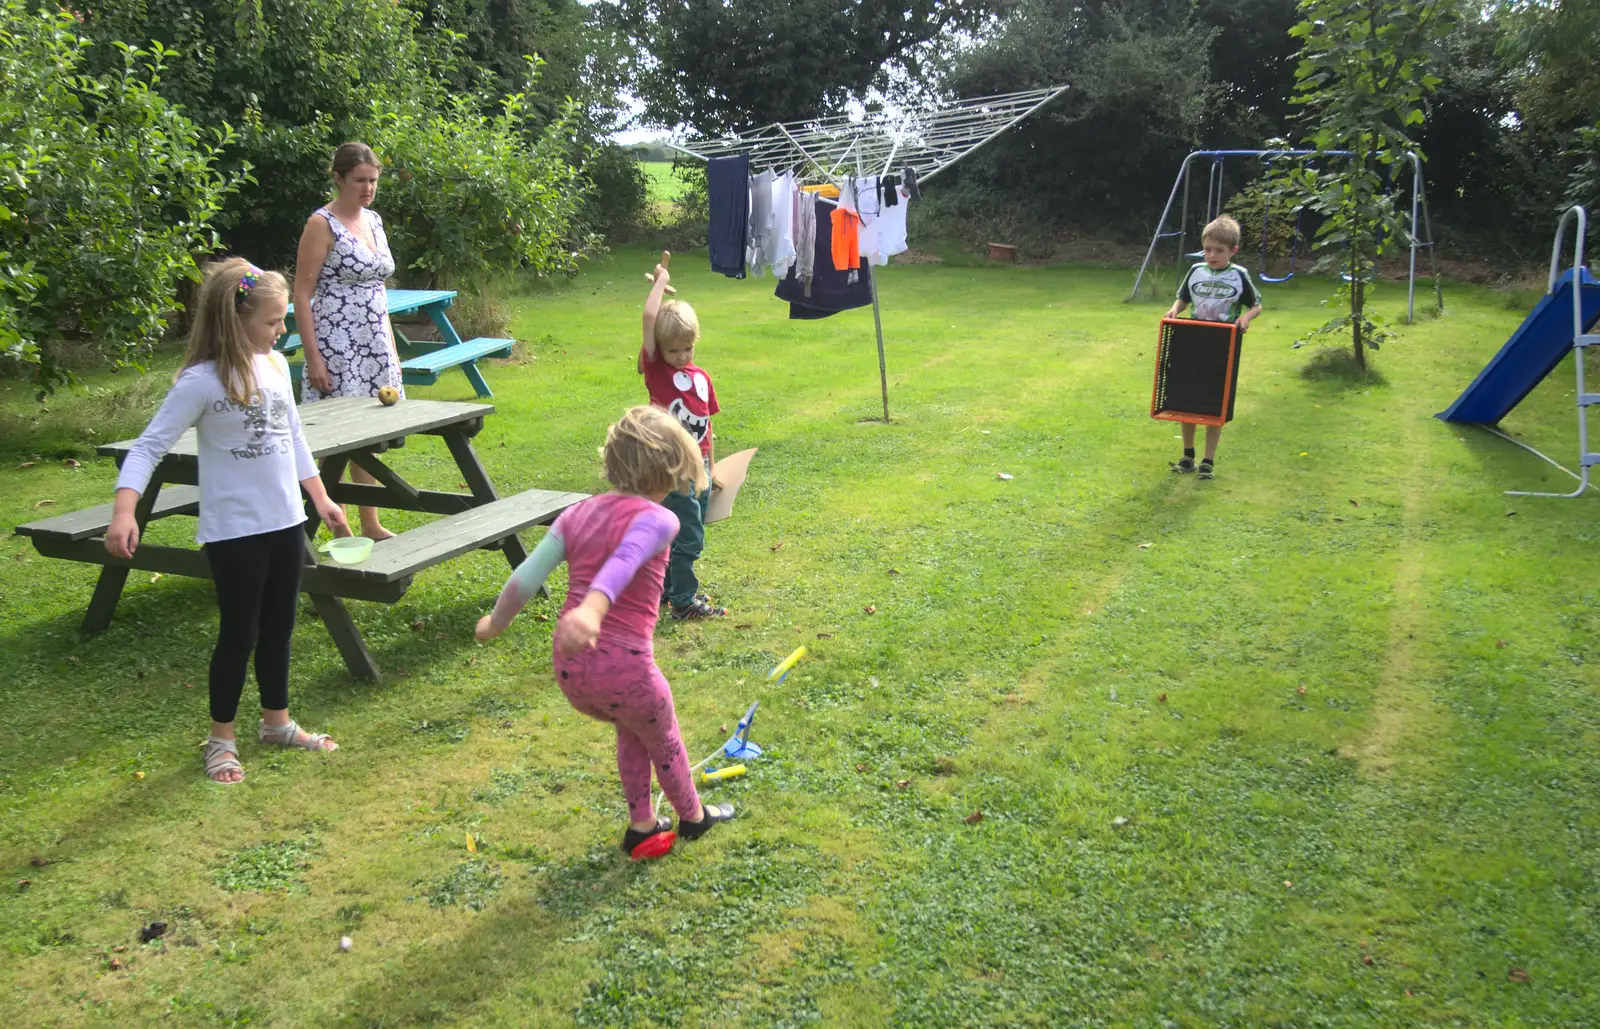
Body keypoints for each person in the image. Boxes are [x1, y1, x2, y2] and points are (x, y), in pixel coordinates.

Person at [106, 258, 351, 784]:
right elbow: (148, 447)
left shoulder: (274, 366)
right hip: (234, 530)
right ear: (235, 318)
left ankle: (277, 723)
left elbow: (294, 439)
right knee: (240, 633)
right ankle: (221, 740)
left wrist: (322, 499)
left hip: (286, 520)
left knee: (280, 627)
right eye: (271, 322)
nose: (281, 330)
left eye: (283, 320)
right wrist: (125, 510)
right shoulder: (201, 381)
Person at [475, 407, 737, 856]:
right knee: (665, 737)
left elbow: (525, 576)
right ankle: (694, 818)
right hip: (623, 666)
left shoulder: (575, 514)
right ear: (671, 468)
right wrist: (593, 610)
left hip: (572, 668)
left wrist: (496, 622)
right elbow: (626, 558)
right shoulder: (662, 520)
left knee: (632, 728)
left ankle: (641, 824)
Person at [293, 140, 402, 539]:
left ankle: (371, 522)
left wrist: (392, 348)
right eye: (359, 180)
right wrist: (314, 357)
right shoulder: (320, 224)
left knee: (369, 437)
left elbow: (379, 290)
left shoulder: (373, 221)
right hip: (336, 344)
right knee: (338, 438)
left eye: (373, 180)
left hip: (375, 342)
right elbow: (301, 293)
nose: (367, 188)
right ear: (338, 178)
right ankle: (341, 530)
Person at [638, 256, 727, 620]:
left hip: (699, 465)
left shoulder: (702, 377)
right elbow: (648, 318)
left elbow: (708, 427)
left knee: (679, 529)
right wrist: (662, 280)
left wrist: (713, 467)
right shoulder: (656, 370)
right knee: (688, 534)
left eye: (686, 348)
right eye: (673, 350)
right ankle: (684, 602)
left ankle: (666, 589)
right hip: (673, 467)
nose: (680, 356)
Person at [1164, 215, 1262, 481]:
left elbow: (1256, 305)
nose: (1212, 255)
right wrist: (1174, 310)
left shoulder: (1239, 276)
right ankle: (1188, 456)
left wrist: (1246, 318)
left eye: (1219, 250)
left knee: (1213, 403)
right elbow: (1182, 299)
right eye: (1208, 249)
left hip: (1223, 344)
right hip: (1194, 340)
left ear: (1233, 251)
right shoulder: (1196, 271)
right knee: (1188, 399)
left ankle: (1208, 460)